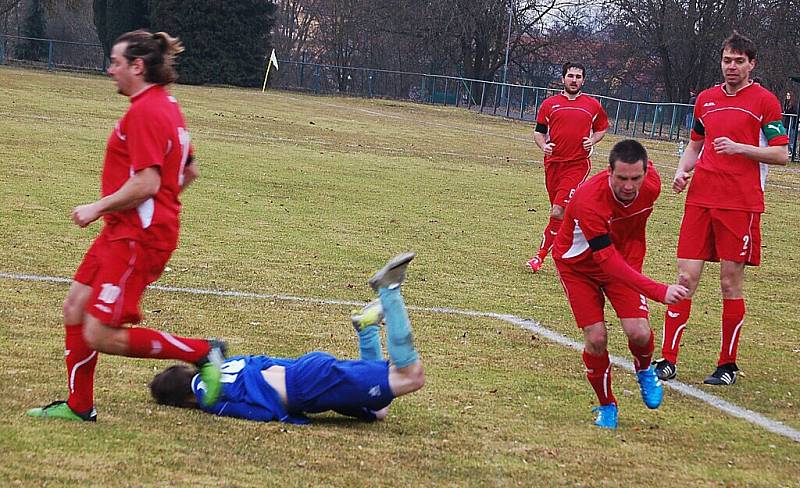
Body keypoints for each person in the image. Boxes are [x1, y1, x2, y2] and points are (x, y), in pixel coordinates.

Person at [27, 30, 226, 422]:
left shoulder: (146, 112)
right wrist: (158, 204)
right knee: (75, 306)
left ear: (138, 66)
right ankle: (79, 405)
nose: (109, 70)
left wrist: (97, 208)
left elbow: (147, 183)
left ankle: (203, 351)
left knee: (98, 333)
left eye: (116, 62)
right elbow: (189, 171)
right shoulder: (166, 105)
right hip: (124, 230)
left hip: (137, 237)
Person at [655, 32, 789, 386]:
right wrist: (683, 171)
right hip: (700, 200)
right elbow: (695, 144)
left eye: (739, 61)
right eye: (727, 60)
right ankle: (668, 359)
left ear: (751, 64)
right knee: (685, 278)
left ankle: (727, 364)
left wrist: (742, 148)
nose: (732, 67)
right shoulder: (706, 99)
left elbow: (781, 155)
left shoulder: (765, 102)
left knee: (730, 283)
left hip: (740, 204)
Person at [149, 253, 425, 423]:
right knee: (378, 411)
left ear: (183, 401)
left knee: (411, 376)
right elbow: (267, 362)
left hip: (309, 387)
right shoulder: (228, 365)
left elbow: (255, 412)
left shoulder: (208, 398)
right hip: (306, 370)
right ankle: (367, 328)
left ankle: (389, 290)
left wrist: (287, 416)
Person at [552, 139, 689, 429]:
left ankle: (644, 370)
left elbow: (618, 261)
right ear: (609, 172)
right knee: (597, 338)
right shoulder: (590, 200)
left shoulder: (651, 184)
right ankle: (607, 405)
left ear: (645, 173)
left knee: (639, 333)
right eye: (622, 179)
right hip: (579, 266)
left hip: (624, 258)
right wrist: (659, 291)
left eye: (635, 178)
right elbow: (607, 261)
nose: (629, 186)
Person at [527, 62, 609, 273]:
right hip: (553, 165)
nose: (574, 80)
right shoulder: (549, 104)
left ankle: (539, 257)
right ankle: (583, 250)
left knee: (558, 211)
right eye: (570, 76)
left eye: (578, 77)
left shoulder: (593, 105)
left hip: (577, 165)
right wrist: (544, 145)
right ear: (563, 78)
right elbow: (538, 132)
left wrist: (592, 140)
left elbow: (601, 129)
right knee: (561, 215)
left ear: (584, 80)